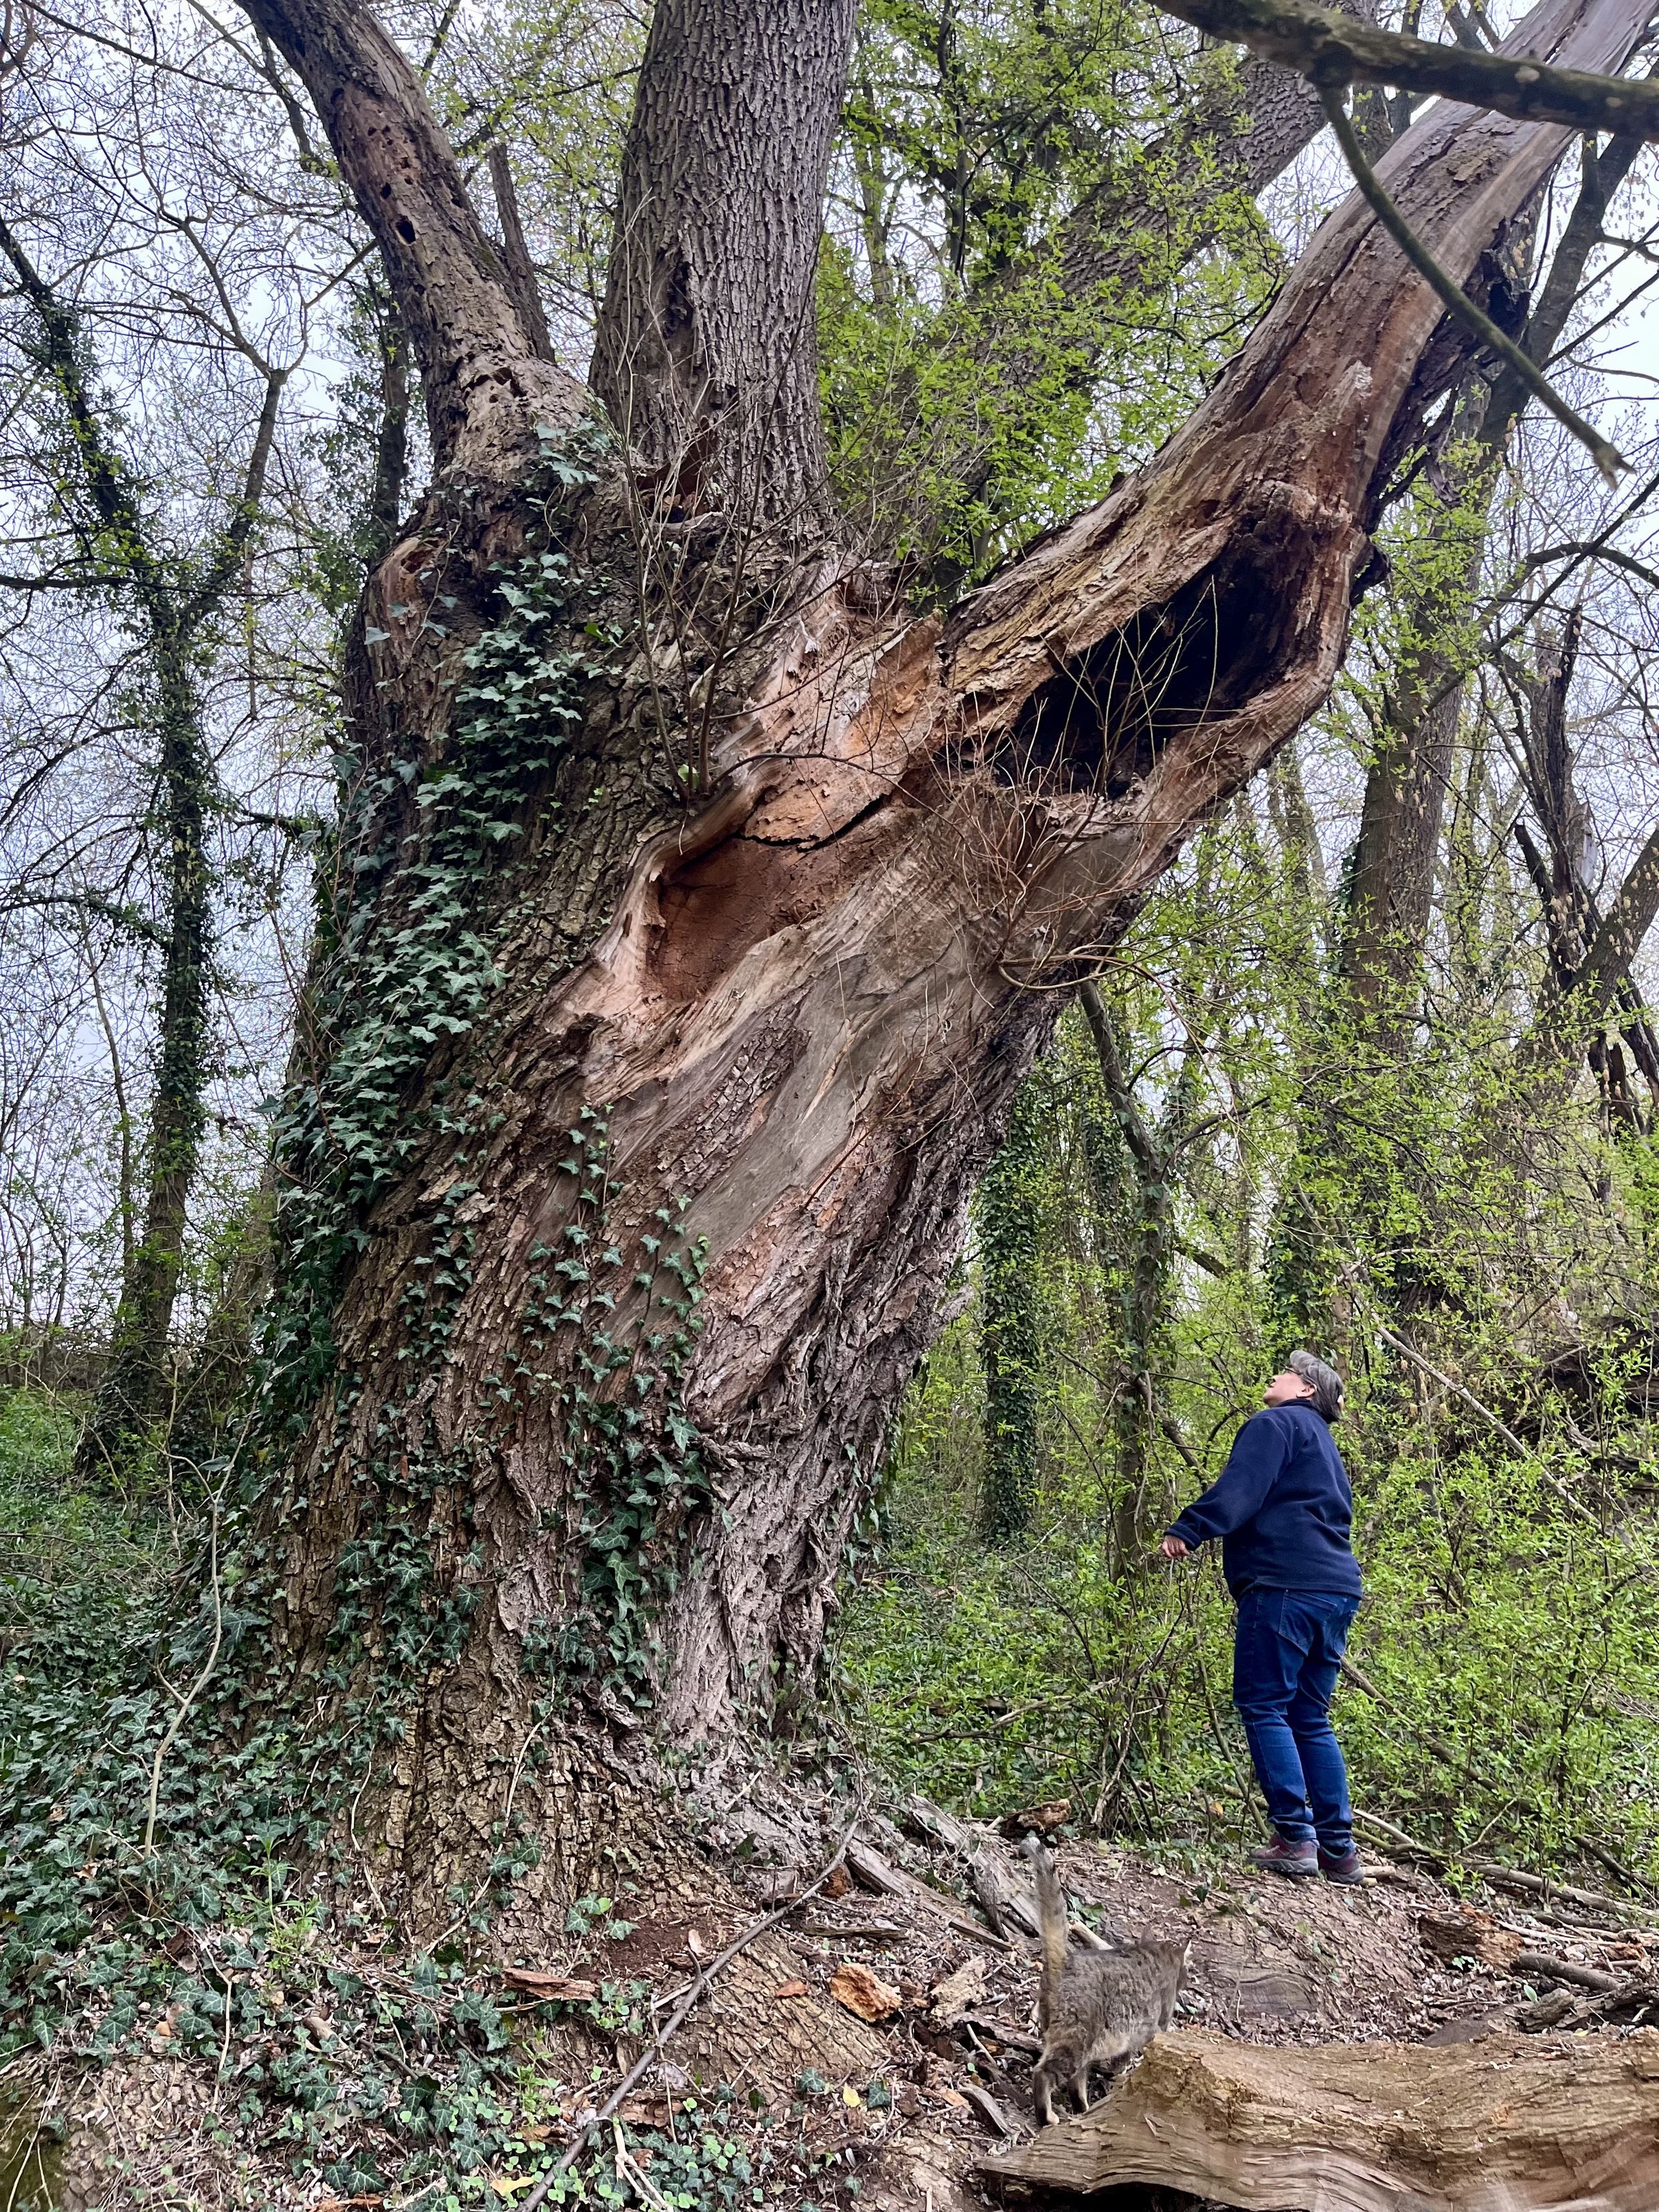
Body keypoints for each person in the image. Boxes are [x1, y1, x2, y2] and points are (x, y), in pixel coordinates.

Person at [1160, 1351, 1363, 1884]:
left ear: (1305, 1391)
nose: (1275, 1375)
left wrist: (1190, 1527)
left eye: (1287, 1371)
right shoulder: (1324, 1446)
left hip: (1285, 1585)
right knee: (1309, 1716)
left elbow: (1243, 1488)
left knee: (1264, 1704)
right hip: (1337, 1589)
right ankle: (1337, 1853)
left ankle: (1295, 1838)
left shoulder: (1277, 1424)